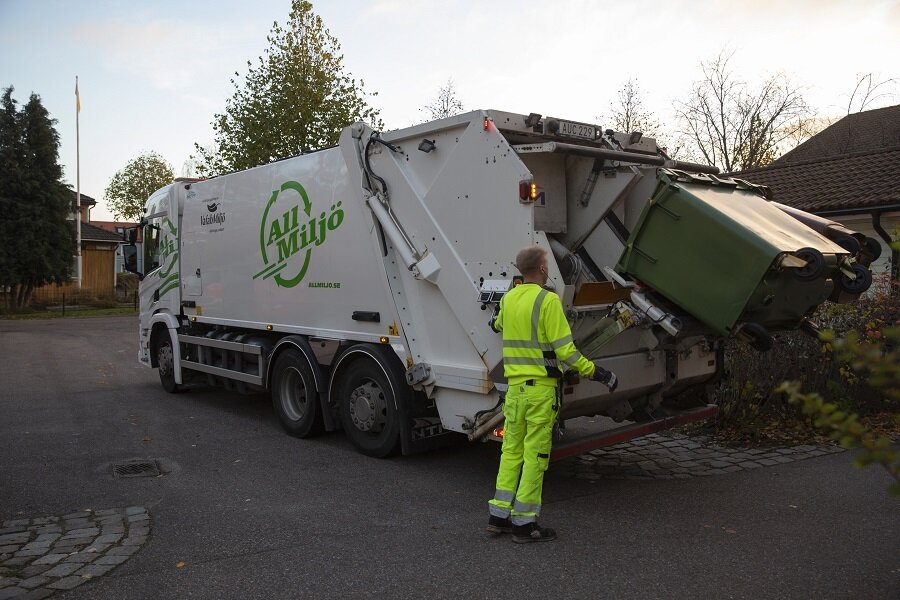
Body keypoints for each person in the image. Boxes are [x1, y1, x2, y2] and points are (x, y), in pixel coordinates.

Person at [487, 244, 618, 543]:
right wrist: (599, 373)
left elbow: (495, 324)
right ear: (543, 269)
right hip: (540, 394)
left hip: (515, 391)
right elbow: (566, 352)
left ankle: (498, 516)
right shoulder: (548, 301)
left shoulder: (509, 299)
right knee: (535, 457)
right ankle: (524, 524)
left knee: (511, 453)